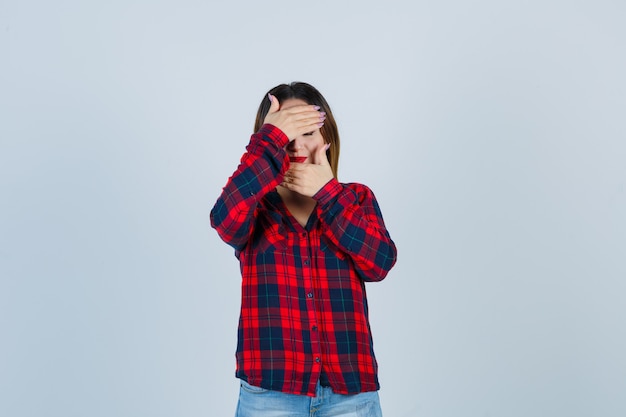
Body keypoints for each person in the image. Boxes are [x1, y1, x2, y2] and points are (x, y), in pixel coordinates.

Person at [210, 82, 397, 416]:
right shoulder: (255, 206)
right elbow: (224, 219)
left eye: (307, 132)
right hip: (270, 394)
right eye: (285, 134)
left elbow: (379, 263)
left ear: (327, 137)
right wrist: (270, 137)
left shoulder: (356, 198)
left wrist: (327, 192)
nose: (295, 146)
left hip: (350, 394)